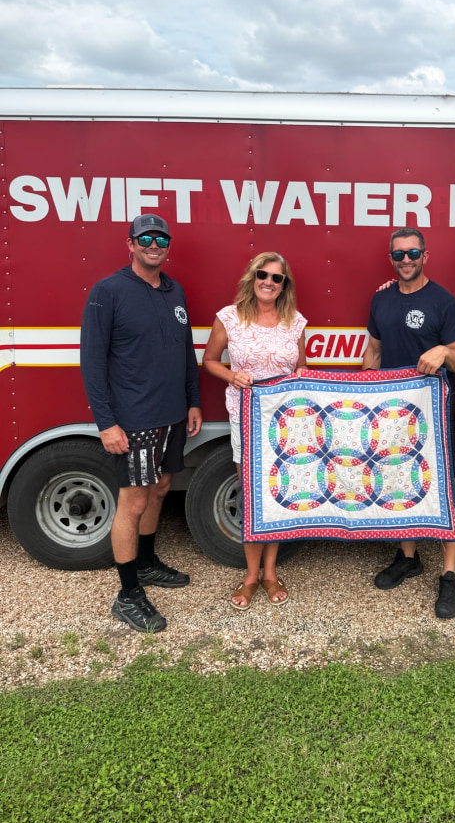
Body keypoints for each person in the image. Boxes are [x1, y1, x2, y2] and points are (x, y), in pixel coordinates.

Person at [80, 214, 202, 633]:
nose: (155, 244)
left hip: (171, 416)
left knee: (161, 487)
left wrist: (192, 402)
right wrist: (106, 423)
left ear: (169, 246)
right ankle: (128, 594)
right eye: (146, 238)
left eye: (162, 238)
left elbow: (185, 352)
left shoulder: (175, 290)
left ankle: (146, 564)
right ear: (130, 244)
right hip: (132, 421)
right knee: (132, 502)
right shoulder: (108, 292)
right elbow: (92, 363)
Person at [362, 228, 455, 618]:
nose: (405, 260)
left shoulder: (443, 302)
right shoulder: (381, 298)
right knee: (397, 482)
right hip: (391, 414)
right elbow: (373, 351)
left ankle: (449, 574)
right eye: (398, 255)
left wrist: (443, 350)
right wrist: (365, 401)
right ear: (391, 258)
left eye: (412, 253)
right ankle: (408, 558)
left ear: (426, 255)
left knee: (438, 489)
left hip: (431, 416)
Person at [202, 252, 307, 610]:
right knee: (251, 496)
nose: (269, 282)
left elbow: (302, 369)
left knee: (277, 494)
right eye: (263, 274)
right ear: (252, 277)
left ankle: (270, 573)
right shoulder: (229, 317)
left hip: (286, 424)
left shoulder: (295, 322)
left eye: (277, 278)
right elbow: (210, 360)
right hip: (245, 416)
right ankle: (250, 576)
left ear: (284, 285)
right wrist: (232, 375)